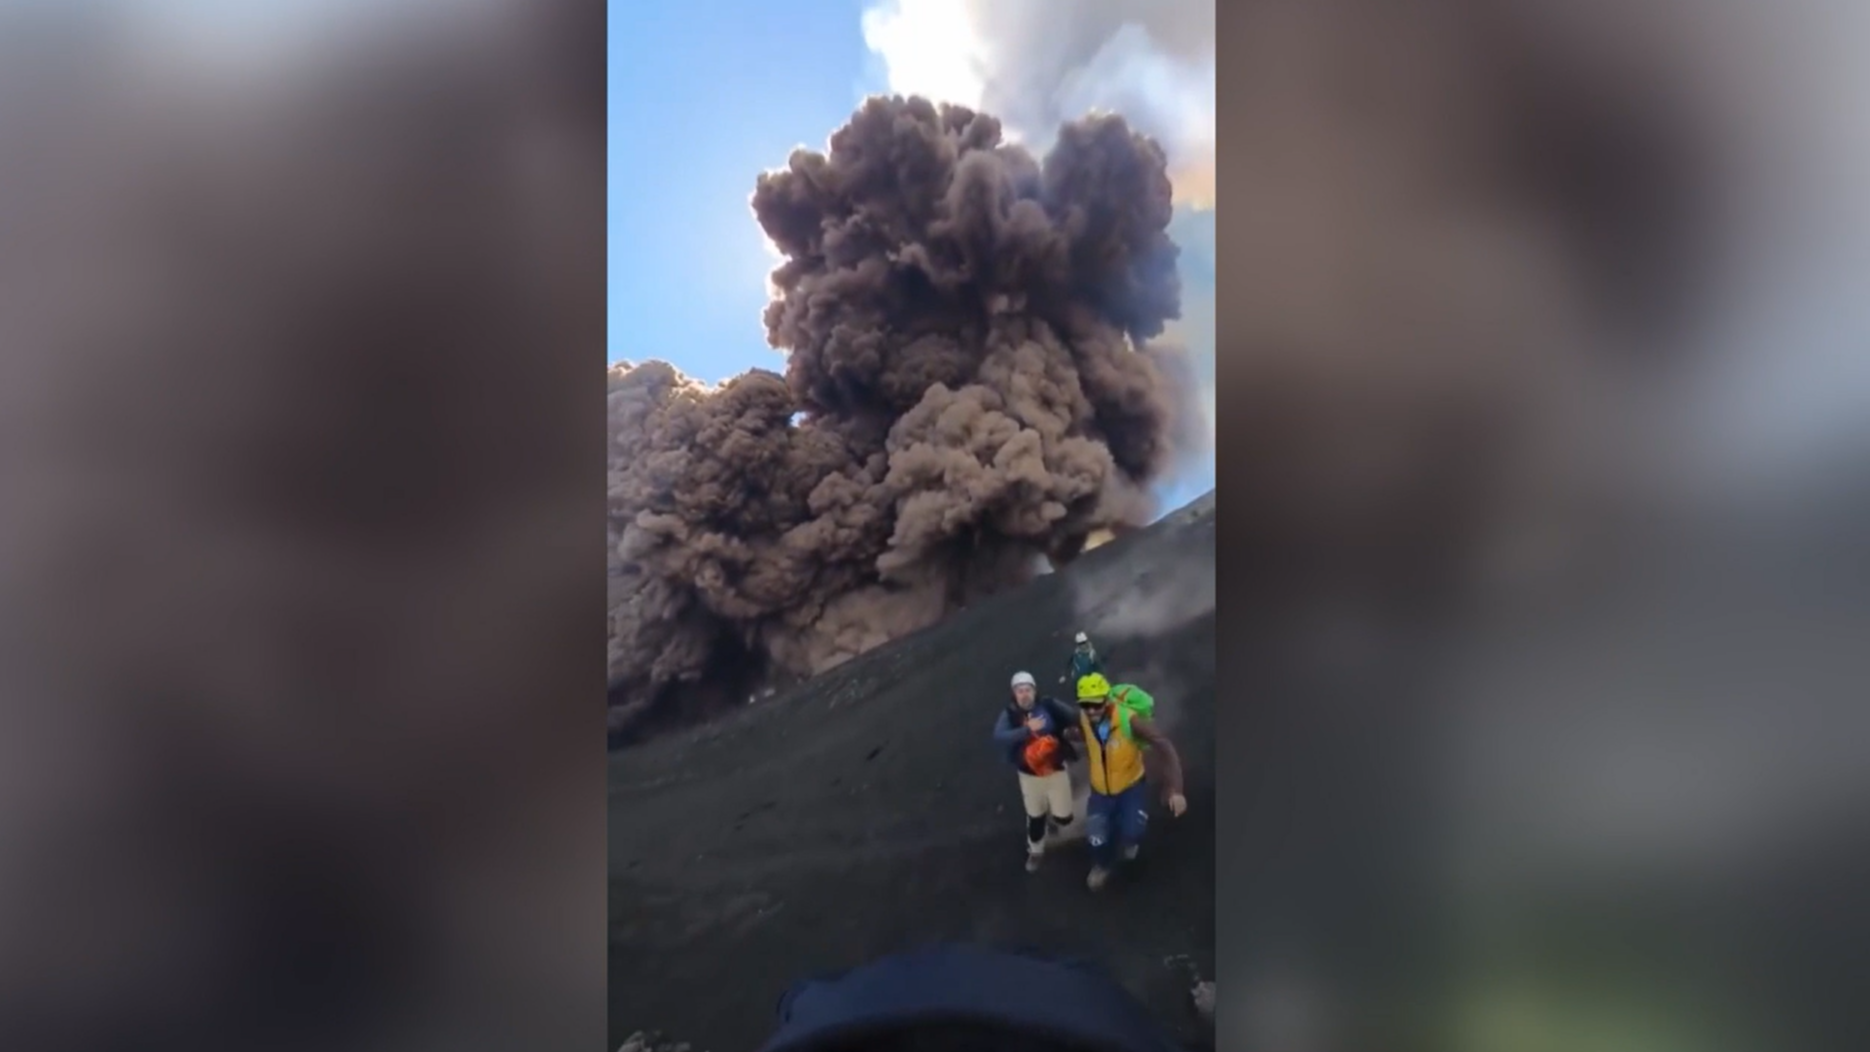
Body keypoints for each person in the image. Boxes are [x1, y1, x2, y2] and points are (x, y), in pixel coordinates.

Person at [1073, 672, 1187, 891]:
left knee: (1132, 832)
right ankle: (1102, 865)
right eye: (1085, 705)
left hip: (1130, 788)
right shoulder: (1084, 719)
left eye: (1096, 705)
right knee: (1096, 838)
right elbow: (1079, 733)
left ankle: (1128, 838)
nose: (1091, 711)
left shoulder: (1129, 720)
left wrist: (1175, 789)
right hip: (1100, 793)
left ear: (1107, 700)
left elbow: (1164, 745)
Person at [991, 671, 1080, 872]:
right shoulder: (1010, 715)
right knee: (1035, 818)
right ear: (1014, 694)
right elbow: (999, 737)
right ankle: (1035, 850)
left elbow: (1073, 716)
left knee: (1064, 818)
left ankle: (1054, 817)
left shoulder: (1048, 706)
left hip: (1055, 771)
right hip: (1030, 776)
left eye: (1027, 690)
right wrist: (1026, 730)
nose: (1024, 695)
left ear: (1034, 691)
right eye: (1020, 691)